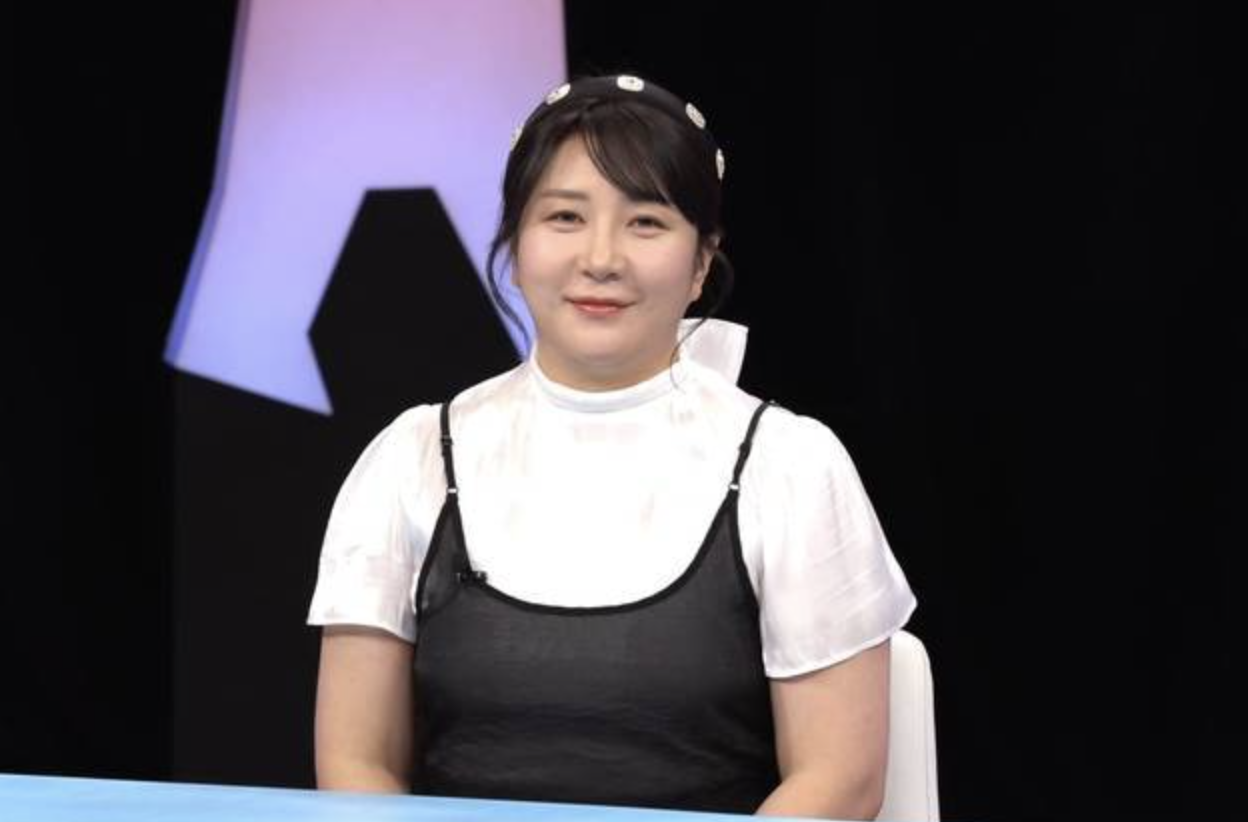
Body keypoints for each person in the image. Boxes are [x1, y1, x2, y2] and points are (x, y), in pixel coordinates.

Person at [307, 74, 916, 819]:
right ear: (515, 244)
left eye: (646, 222)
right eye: (565, 217)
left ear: (701, 263)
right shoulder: (412, 460)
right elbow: (356, 765)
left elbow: (839, 779)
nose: (601, 257)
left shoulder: (790, 465)